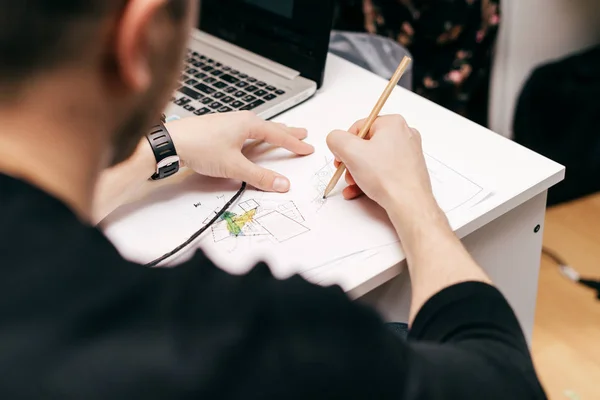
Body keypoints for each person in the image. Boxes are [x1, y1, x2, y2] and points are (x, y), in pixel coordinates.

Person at [0, 1, 546, 399]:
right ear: (138, 38)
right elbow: (504, 380)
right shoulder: (224, 342)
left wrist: (160, 149)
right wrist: (412, 199)